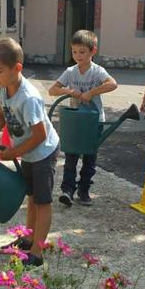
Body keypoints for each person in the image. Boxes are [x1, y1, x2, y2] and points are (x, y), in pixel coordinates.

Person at [0, 38, 59, 267]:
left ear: (17, 68)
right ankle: (27, 238)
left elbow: (40, 135)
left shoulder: (29, 97)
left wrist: (13, 152)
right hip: (27, 151)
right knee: (32, 197)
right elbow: (0, 117)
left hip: (43, 152)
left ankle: (37, 252)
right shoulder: (0, 87)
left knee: (43, 201)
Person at [48, 30, 117, 206]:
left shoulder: (97, 71)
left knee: (89, 158)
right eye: (74, 51)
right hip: (75, 121)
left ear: (93, 51)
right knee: (70, 157)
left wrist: (91, 93)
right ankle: (67, 190)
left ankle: (84, 190)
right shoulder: (70, 72)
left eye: (82, 52)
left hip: (94, 121)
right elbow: (52, 90)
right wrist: (69, 91)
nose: (77, 55)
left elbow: (112, 84)